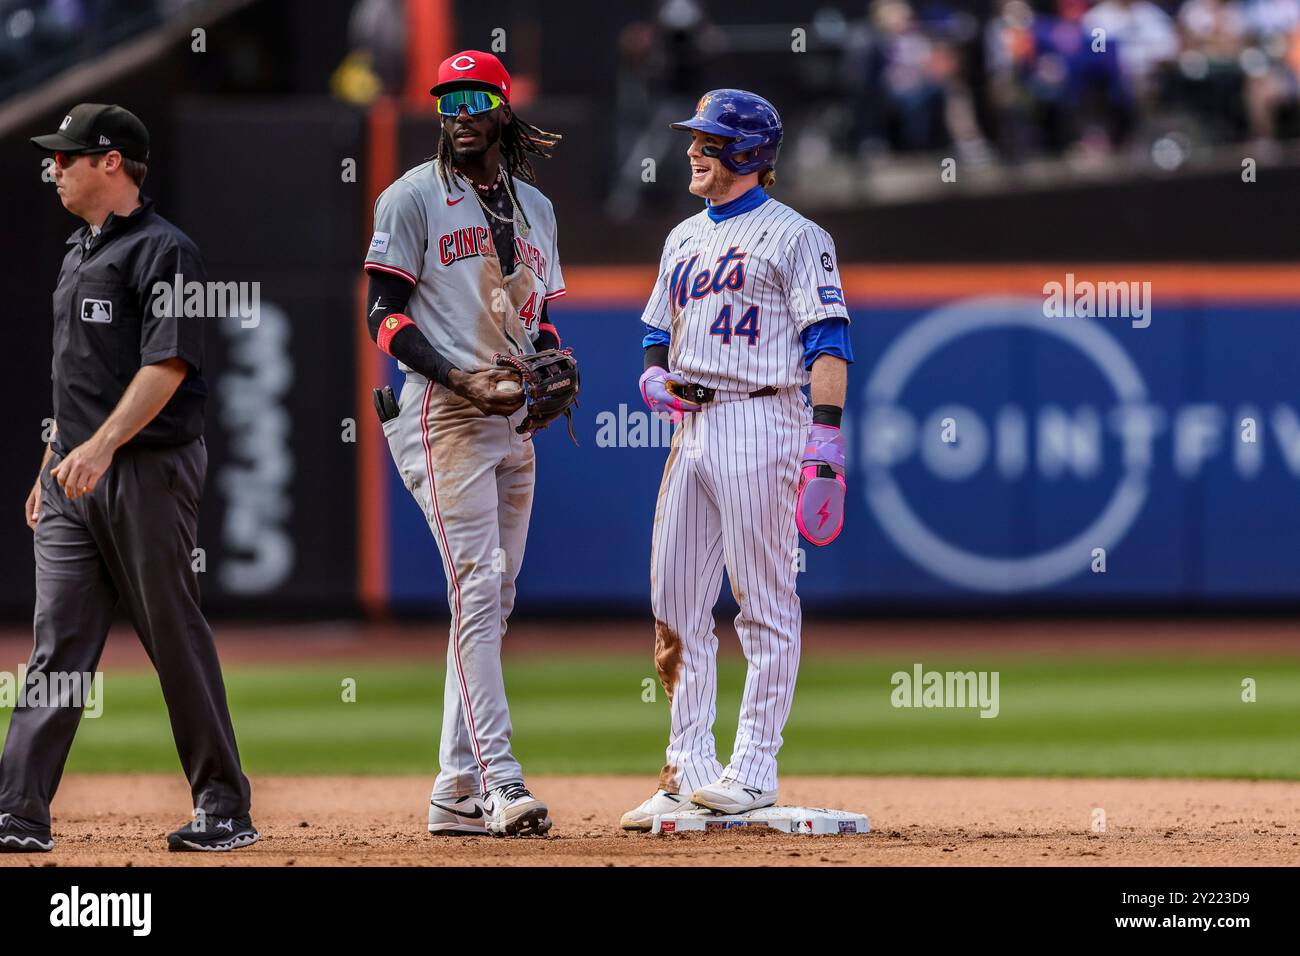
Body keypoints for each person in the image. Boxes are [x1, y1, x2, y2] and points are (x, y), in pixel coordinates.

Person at [0, 103, 256, 853]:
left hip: (147, 468)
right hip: (75, 476)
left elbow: (168, 365)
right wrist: (53, 457)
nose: (54, 168)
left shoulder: (165, 251)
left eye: (67, 156)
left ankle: (223, 805)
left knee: (171, 633)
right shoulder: (77, 251)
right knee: (58, 648)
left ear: (111, 162)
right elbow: (73, 378)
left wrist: (104, 445)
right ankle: (18, 812)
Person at [621, 90, 853, 830]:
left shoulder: (796, 235)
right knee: (674, 602)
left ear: (750, 154)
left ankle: (753, 768)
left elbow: (829, 342)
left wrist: (825, 440)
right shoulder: (683, 237)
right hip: (692, 426)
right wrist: (654, 371)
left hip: (764, 416)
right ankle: (687, 767)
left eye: (711, 141)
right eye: (696, 138)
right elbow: (658, 323)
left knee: (765, 601)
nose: (694, 150)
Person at [362, 51, 567, 837]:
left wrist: (549, 356)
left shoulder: (536, 209)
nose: (460, 108)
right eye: (448, 96)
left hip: (513, 416)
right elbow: (383, 316)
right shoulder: (412, 197)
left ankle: (453, 790)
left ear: (505, 110)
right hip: (441, 416)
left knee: (495, 595)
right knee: (479, 586)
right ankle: (498, 780)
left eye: (477, 95)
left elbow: (538, 314)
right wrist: (458, 379)